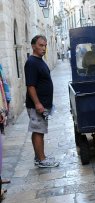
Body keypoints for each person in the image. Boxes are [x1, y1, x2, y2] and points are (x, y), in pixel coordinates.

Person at [24, 35, 59, 168]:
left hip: (43, 105)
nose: (44, 48)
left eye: (45, 46)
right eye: (41, 45)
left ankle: (39, 157)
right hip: (36, 105)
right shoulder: (32, 62)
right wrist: (38, 103)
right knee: (38, 131)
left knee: (39, 130)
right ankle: (42, 160)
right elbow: (30, 86)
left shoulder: (39, 61)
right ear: (33, 46)